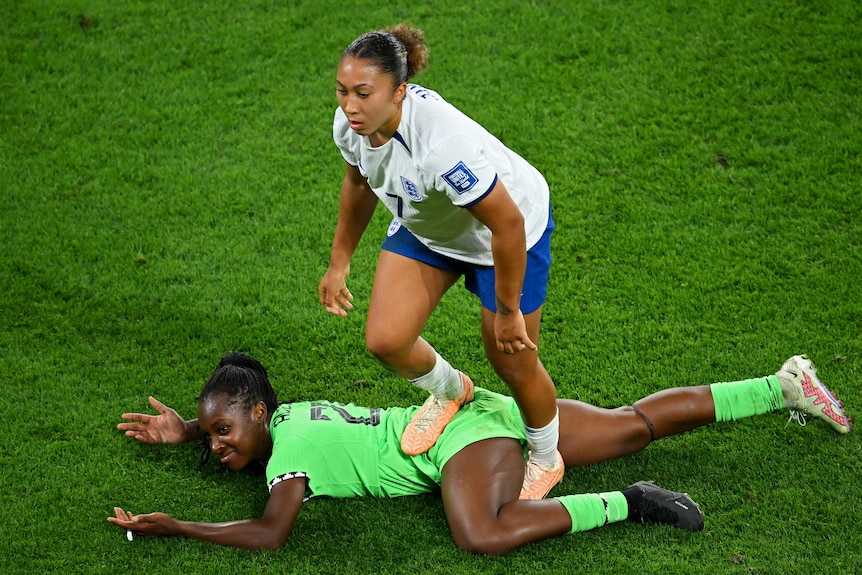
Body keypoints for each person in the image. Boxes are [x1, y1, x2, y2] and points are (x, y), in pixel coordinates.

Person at [109, 352, 850, 554]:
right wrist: (185, 432)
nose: (217, 445)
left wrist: (175, 524)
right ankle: (781, 385)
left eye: (221, 432)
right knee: (630, 423)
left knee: (481, 531)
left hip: (463, 442)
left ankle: (632, 501)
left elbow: (271, 531)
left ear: (260, 413)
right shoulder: (292, 414)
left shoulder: (286, 459)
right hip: (480, 412)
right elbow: (234, 420)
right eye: (210, 436)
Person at [317, 23, 562, 500]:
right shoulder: (350, 125)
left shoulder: (439, 146)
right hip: (430, 224)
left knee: (510, 357)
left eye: (364, 93)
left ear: (399, 91)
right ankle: (452, 391)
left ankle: (547, 455)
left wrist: (509, 312)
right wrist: (339, 261)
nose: (350, 106)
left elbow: (506, 225)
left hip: (510, 231)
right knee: (386, 339)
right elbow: (359, 182)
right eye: (343, 91)